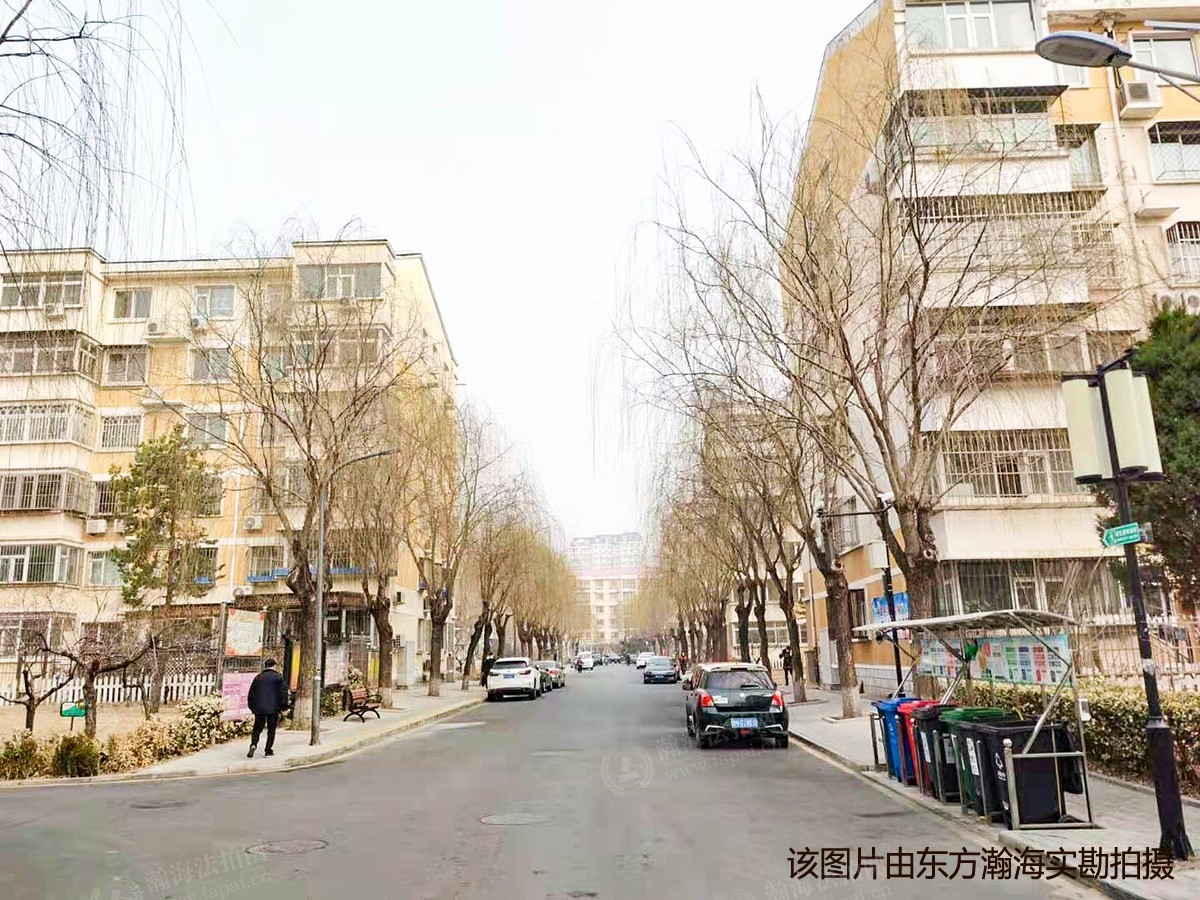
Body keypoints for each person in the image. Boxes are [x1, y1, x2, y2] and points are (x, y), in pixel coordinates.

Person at [247, 658, 288, 759]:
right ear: (274, 666)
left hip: (259, 708)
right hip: (273, 708)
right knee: (271, 730)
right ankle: (268, 750)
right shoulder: (278, 677)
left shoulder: (258, 677)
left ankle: (253, 744)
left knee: (257, 728)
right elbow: (283, 693)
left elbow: (251, 693)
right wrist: (284, 707)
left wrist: (252, 707)